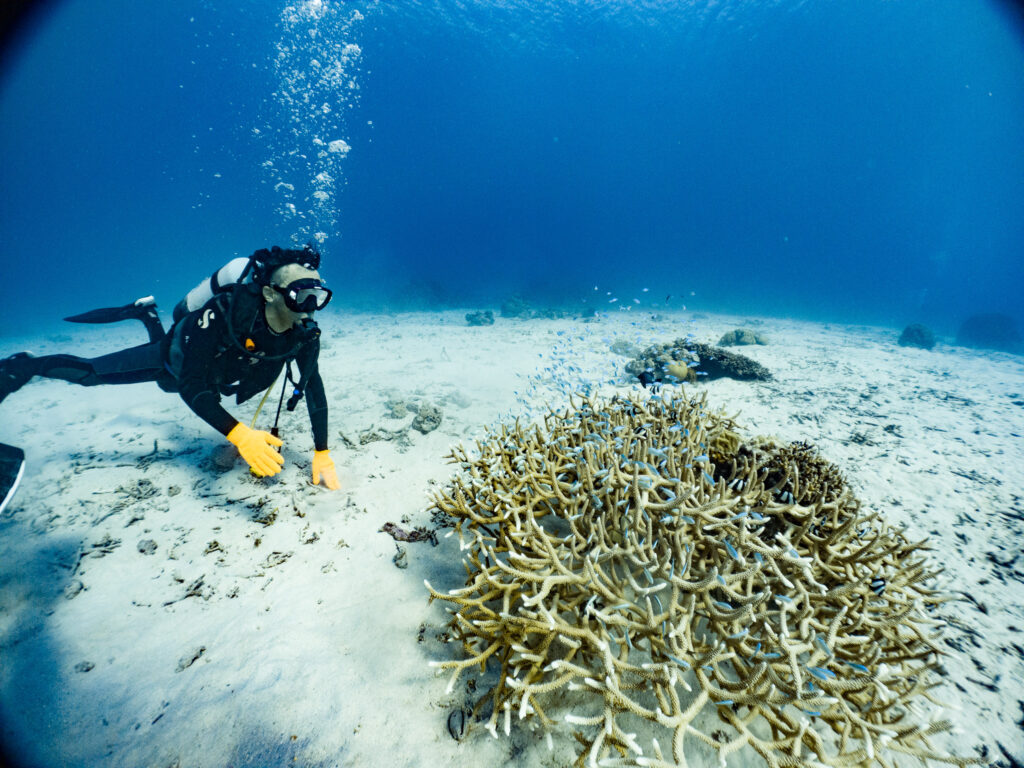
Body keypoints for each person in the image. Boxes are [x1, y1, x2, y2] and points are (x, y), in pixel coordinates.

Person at [0, 245, 340, 489]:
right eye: (301, 295)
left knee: (173, 382)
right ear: (268, 293)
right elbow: (192, 384)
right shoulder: (224, 313)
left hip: (223, 372)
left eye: (318, 296)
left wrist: (322, 452)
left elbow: (313, 384)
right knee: (93, 375)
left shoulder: (303, 334)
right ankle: (26, 365)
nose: (311, 308)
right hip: (177, 359)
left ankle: (146, 313)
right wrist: (239, 435)